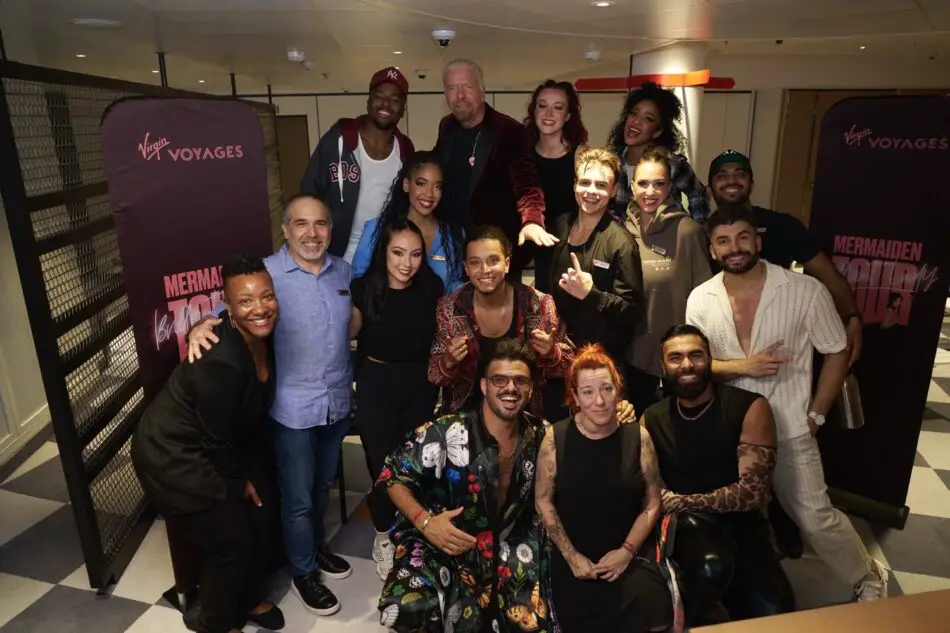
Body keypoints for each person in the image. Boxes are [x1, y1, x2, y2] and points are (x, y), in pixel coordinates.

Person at [685, 203, 890, 602]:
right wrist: (744, 366)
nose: (734, 248)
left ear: (758, 242)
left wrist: (817, 413)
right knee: (733, 515)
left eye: (743, 237)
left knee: (815, 518)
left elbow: (837, 350)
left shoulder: (804, 291)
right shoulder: (700, 299)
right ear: (712, 250)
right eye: (723, 241)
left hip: (791, 428)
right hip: (730, 430)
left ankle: (866, 576)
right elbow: (697, 364)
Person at [187, 194, 354, 616]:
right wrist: (197, 327)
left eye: (320, 224)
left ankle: (313, 548)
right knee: (298, 498)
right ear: (285, 229)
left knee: (322, 487)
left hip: (336, 404)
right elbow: (221, 311)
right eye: (301, 223)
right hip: (293, 410)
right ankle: (303, 572)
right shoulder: (268, 273)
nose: (312, 233)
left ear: (330, 229)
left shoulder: (343, 271)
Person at [131, 255, 284, 633]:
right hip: (173, 455)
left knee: (261, 519)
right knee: (230, 542)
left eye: (266, 296)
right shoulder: (221, 360)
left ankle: (248, 599)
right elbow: (214, 440)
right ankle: (215, 621)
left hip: (220, 443)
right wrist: (238, 483)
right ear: (227, 306)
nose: (260, 308)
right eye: (245, 301)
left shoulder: (264, 334)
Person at [376, 338, 552, 633]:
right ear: (484, 386)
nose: (510, 388)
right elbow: (391, 475)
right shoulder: (447, 430)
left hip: (512, 543)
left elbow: (583, 436)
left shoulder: (542, 434)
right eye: (500, 379)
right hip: (443, 540)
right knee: (406, 606)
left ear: (531, 388)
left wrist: (619, 414)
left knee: (531, 622)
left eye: (520, 381)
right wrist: (426, 522)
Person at [644, 324, 795, 624]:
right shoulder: (651, 418)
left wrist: (679, 501)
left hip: (744, 526)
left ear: (709, 360)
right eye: (675, 357)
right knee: (709, 569)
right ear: (663, 366)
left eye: (695, 355)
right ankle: (693, 605)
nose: (687, 364)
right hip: (688, 527)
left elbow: (752, 494)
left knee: (778, 615)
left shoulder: (750, 407)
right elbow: (643, 486)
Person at [536, 344, 674, 633]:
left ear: (618, 391)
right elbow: (543, 501)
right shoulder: (555, 438)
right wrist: (571, 556)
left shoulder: (639, 438)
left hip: (631, 556)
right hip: (576, 562)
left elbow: (652, 504)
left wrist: (626, 552)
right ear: (575, 397)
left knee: (651, 606)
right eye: (588, 392)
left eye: (607, 389)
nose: (599, 401)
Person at [350, 217, 445, 580]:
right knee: (381, 464)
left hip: (419, 385)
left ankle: (411, 533)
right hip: (376, 383)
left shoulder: (431, 287)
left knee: (414, 463)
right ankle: (383, 534)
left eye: (415, 254)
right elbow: (347, 330)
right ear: (383, 252)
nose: (407, 263)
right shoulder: (363, 288)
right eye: (398, 253)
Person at [707, 149, 863, 366]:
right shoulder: (700, 232)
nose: (731, 180)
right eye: (722, 175)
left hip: (781, 338)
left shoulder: (782, 226)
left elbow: (826, 273)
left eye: (739, 174)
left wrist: (852, 317)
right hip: (725, 338)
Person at [428, 225, 573, 417]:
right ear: (466, 268)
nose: (484, 270)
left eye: (493, 261)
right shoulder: (450, 308)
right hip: (466, 416)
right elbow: (434, 376)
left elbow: (570, 367)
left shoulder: (539, 304)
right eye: (475, 262)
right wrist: (448, 362)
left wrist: (552, 353)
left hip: (524, 414)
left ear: (507, 264)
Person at [436, 58, 557, 279]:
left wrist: (532, 220)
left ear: (482, 90)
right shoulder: (446, 127)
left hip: (497, 256)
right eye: (452, 88)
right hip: (456, 251)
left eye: (467, 87)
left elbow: (527, 185)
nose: (460, 96)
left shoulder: (508, 130)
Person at [623, 146, 712, 417]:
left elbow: (707, 300)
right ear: (631, 186)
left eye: (658, 184)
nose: (650, 192)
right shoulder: (622, 231)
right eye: (643, 183)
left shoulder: (688, 232)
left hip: (679, 361)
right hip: (633, 359)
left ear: (670, 187)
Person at [299, 66, 415, 264]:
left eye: (395, 100)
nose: (385, 104)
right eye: (379, 96)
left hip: (383, 256)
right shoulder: (337, 141)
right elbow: (308, 193)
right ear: (368, 101)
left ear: (403, 109)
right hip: (334, 254)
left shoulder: (405, 149)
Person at [549, 147, 642, 369]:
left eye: (601, 185)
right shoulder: (561, 226)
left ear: (614, 190)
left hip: (599, 363)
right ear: (574, 184)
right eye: (585, 182)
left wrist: (591, 295)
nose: (591, 191)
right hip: (558, 356)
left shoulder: (622, 243)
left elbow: (632, 312)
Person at [351, 150, 465, 292]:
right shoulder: (377, 229)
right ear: (406, 185)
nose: (429, 194)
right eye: (421, 183)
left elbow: (454, 287)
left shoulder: (453, 234)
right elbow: (358, 282)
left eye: (437, 186)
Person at [608, 81, 709, 223]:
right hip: (622, 236)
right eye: (633, 113)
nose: (636, 121)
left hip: (667, 235)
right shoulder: (611, 161)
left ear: (658, 131)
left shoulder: (672, 164)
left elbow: (697, 195)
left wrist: (693, 229)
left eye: (648, 118)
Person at [525, 79, 589, 293]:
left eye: (558, 107)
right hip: (535, 253)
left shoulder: (580, 155)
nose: (549, 113)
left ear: (568, 115)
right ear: (534, 111)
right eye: (542, 106)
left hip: (573, 252)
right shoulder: (523, 155)